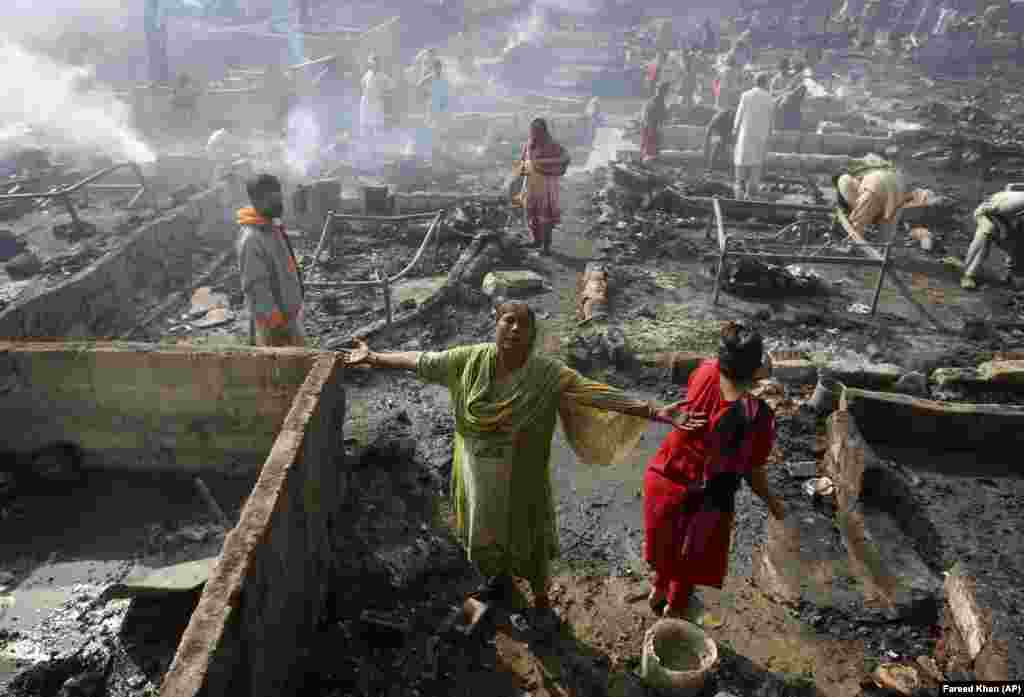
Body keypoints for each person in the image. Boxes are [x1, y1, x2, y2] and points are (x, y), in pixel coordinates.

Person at [341, 300, 697, 630]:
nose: (514, 330)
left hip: (520, 481)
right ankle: (498, 581)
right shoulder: (470, 360)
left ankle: (542, 602)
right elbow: (423, 359)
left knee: (529, 542)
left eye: (523, 325)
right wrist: (374, 357)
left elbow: (594, 392)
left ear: (533, 334)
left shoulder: (546, 375)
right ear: (495, 324)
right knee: (483, 534)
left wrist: (652, 410)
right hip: (476, 475)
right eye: (508, 321)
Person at [644, 322, 784, 620]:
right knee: (690, 554)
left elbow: (726, 375)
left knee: (667, 543)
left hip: (667, 476)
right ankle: (675, 606)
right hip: (709, 495)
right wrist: (774, 503)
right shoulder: (756, 416)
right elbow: (753, 471)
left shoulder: (705, 371)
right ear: (757, 370)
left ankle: (658, 590)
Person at [236, 174, 306, 347]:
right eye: (272, 200)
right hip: (274, 324)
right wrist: (275, 323)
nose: (278, 204)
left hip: (287, 316)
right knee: (283, 370)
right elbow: (256, 287)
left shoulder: (271, 227)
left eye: (278, 197)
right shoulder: (252, 239)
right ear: (256, 200)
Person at [519, 118, 570, 255]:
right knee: (531, 213)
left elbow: (565, 158)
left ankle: (546, 247)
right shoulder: (529, 144)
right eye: (533, 129)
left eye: (538, 130)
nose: (535, 132)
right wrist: (523, 172)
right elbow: (524, 162)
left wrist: (544, 163)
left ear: (543, 131)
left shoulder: (552, 145)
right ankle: (536, 241)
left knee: (545, 216)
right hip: (530, 184)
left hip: (546, 186)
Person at [834, 156, 915, 241]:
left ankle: (853, 243)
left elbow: (857, 206)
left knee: (860, 222)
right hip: (898, 184)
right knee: (887, 228)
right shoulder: (865, 169)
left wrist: (857, 223)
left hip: (877, 183)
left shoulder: (844, 179)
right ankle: (883, 246)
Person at [960, 188, 1024, 290]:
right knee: (987, 232)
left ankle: (1010, 275)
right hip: (987, 212)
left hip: (1007, 217)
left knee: (1016, 243)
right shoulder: (1015, 203)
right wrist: (1004, 233)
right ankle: (968, 275)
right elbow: (992, 212)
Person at [733, 73, 775, 200]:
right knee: (756, 165)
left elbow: (739, 114)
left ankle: (739, 190)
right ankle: (751, 192)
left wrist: (735, 129)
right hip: (761, 135)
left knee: (741, 161)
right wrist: (770, 133)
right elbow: (771, 119)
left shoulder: (746, 95)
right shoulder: (769, 98)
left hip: (745, 133)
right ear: (765, 83)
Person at [416, 59, 450, 162]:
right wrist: (426, 95)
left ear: (441, 68)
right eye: (436, 67)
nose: (438, 69)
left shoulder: (444, 78)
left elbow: (446, 91)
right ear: (434, 68)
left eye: (439, 67)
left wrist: (445, 101)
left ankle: (440, 151)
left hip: (441, 107)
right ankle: (432, 151)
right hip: (432, 106)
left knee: (442, 129)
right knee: (431, 128)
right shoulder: (430, 77)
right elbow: (419, 85)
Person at [359, 55, 394, 140]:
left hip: (376, 102)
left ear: (378, 65)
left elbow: (391, 86)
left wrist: (383, 94)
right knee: (365, 123)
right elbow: (362, 83)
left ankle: (376, 141)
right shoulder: (367, 74)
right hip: (366, 101)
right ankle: (366, 140)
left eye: (376, 64)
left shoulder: (383, 76)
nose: (373, 66)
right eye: (372, 63)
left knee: (376, 124)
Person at [640, 82, 671, 162]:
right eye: (669, 91)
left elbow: (645, 115)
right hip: (653, 129)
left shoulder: (652, 100)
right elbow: (662, 117)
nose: (669, 94)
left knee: (648, 151)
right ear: (665, 92)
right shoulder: (659, 102)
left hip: (649, 128)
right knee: (652, 153)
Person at [144, 0, 170, 85]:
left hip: (156, 28)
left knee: (158, 53)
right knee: (154, 53)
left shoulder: (156, 6)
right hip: (153, 27)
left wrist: (158, 25)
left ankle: (160, 79)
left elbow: (160, 9)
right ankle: (156, 79)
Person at [704, 107, 735, 172]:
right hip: (717, 132)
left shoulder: (734, 118)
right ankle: (710, 168)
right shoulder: (719, 116)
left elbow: (734, 131)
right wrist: (706, 142)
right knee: (717, 144)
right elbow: (709, 128)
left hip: (727, 133)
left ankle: (731, 169)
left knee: (730, 148)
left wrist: (731, 139)